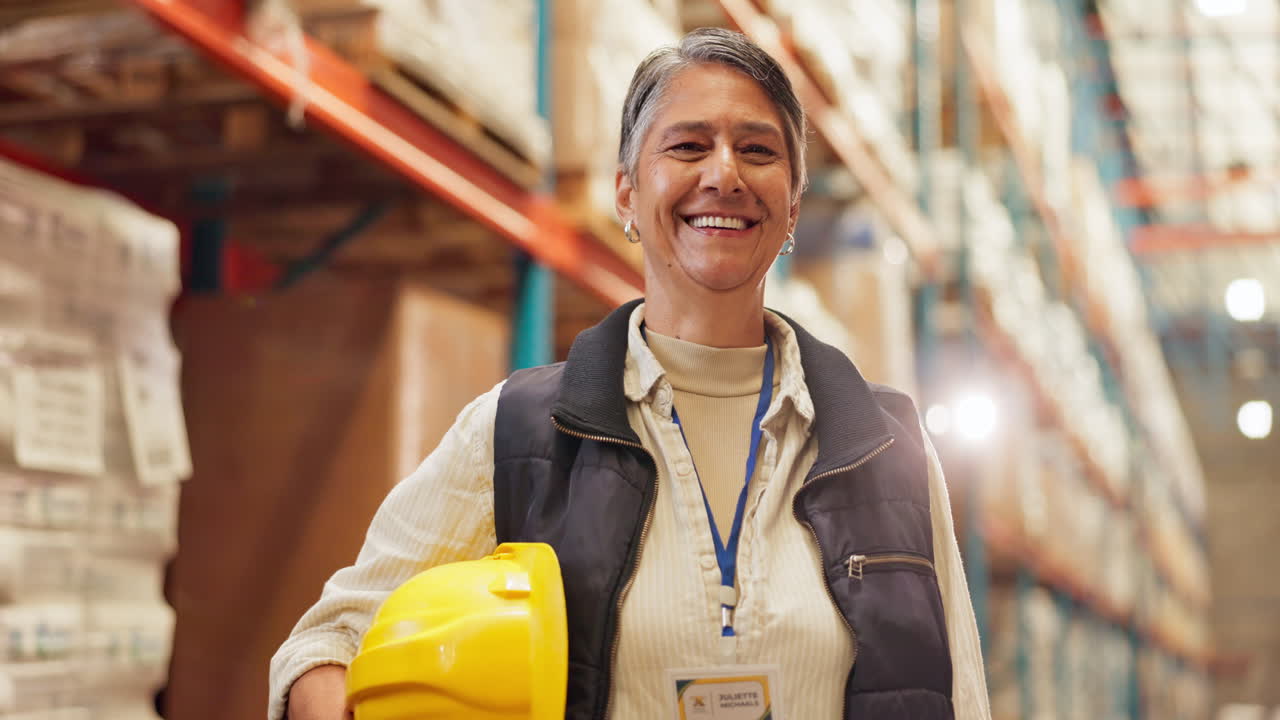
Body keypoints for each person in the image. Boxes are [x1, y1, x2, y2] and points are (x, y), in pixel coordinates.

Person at [270, 27, 991, 720]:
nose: (724, 175)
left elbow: (961, 697)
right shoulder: (519, 433)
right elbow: (328, 642)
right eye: (688, 146)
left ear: (793, 204)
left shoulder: (886, 446)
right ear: (626, 195)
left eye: (757, 150)